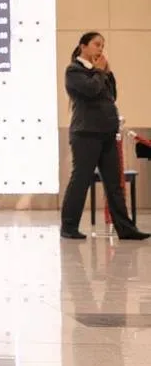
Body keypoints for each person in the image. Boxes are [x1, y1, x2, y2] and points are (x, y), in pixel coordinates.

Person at [62, 32, 149, 240]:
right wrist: (100, 72)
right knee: (81, 180)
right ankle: (69, 227)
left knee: (114, 183)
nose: (100, 49)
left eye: (102, 45)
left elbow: (112, 96)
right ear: (83, 46)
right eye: (96, 44)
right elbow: (91, 90)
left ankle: (126, 229)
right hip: (86, 134)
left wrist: (107, 73)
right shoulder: (74, 70)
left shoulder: (98, 71)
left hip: (107, 133)